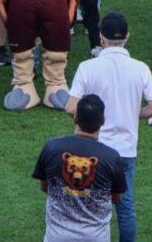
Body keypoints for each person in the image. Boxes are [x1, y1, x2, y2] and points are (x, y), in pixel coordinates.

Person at [66, 13, 152, 242]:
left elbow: (71, 107)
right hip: (125, 150)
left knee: (89, 205)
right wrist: (132, 114)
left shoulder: (88, 67)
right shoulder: (140, 68)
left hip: (93, 149)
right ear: (127, 36)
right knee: (125, 207)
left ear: (101, 38)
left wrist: (92, 117)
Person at [33, 94, 128, 242]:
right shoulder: (112, 157)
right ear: (103, 121)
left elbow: (45, 187)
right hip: (96, 237)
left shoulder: (51, 147)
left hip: (57, 237)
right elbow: (116, 198)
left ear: (75, 118)